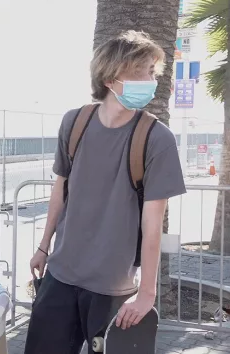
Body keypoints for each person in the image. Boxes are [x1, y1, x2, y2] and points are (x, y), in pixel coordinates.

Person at [24, 30, 186, 354]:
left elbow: (153, 226)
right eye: (144, 71)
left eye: (154, 72)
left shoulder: (157, 139)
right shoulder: (74, 123)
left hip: (113, 289)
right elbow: (60, 193)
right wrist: (43, 248)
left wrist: (147, 295)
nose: (152, 81)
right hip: (60, 275)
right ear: (112, 77)